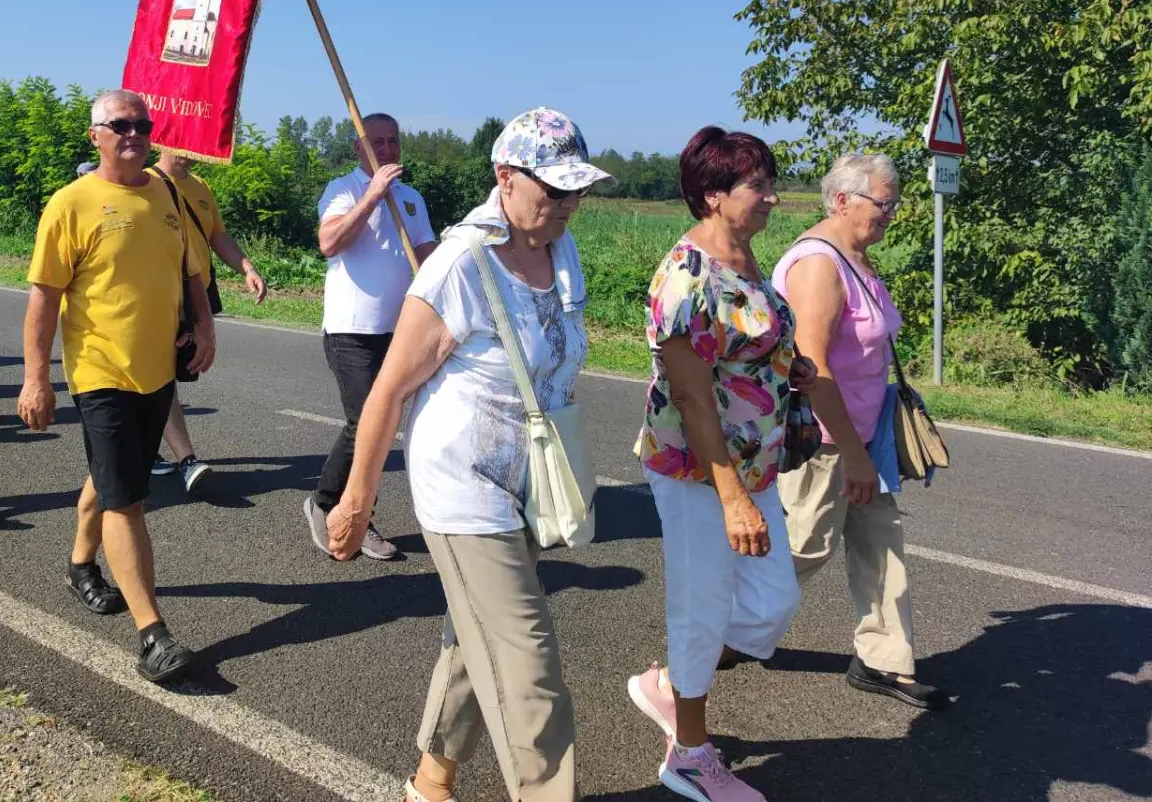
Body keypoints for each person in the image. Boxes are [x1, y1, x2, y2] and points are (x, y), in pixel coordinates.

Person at [328, 108, 608, 802]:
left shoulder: (558, 247)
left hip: (530, 483)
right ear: (505, 179)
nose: (569, 205)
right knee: (527, 666)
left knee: (474, 638)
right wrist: (356, 504)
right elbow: (389, 389)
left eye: (577, 191)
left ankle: (431, 781)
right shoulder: (462, 262)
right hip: (462, 484)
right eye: (555, 190)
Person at [626, 126, 814, 802]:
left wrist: (793, 367)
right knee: (702, 607)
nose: (771, 195)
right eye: (755, 185)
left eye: (769, 180)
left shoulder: (746, 256)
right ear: (712, 195)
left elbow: (759, 341)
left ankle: (670, 682)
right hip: (696, 466)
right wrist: (730, 496)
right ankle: (690, 754)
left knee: (771, 602)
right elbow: (690, 393)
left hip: (754, 463)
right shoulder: (687, 276)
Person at [18, 90, 214, 684]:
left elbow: (191, 270)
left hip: (157, 369)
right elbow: (43, 300)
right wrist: (36, 379)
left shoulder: (166, 192)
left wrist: (203, 325)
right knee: (126, 499)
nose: (133, 133)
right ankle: (153, 635)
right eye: (120, 125)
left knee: (111, 475)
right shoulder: (71, 204)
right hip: (100, 371)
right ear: (95, 135)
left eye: (142, 124)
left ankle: (80, 565)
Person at [774, 153, 950, 710]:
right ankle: (726, 632)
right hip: (826, 440)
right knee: (804, 546)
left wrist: (867, 449)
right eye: (884, 202)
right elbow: (813, 367)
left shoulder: (858, 259)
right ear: (842, 200)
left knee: (881, 546)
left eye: (895, 202)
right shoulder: (817, 265)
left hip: (867, 436)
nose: (892, 213)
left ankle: (883, 660)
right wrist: (851, 454)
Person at [304, 113, 437, 561]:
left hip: (399, 331)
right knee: (366, 423)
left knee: (381, 425)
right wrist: (372, 195)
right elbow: (329, 242)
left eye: (392, 141)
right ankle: (333, 505)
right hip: (350, 328)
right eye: (375, 142)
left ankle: (349, 507)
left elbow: (428, 259)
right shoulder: (342, 189)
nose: (386, 150)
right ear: (358, 149)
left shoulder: (413, 199)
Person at [148, 148, 267, 494]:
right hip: (161, 293)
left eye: (195, 150)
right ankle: (187, 459)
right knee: (161, 373)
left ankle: (144, 446)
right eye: (182, 148)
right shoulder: (145, 184)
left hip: (196, 290)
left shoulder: (201, 187)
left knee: (176, 371)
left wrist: (246, 267)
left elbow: (217, 235)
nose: (190, 156)